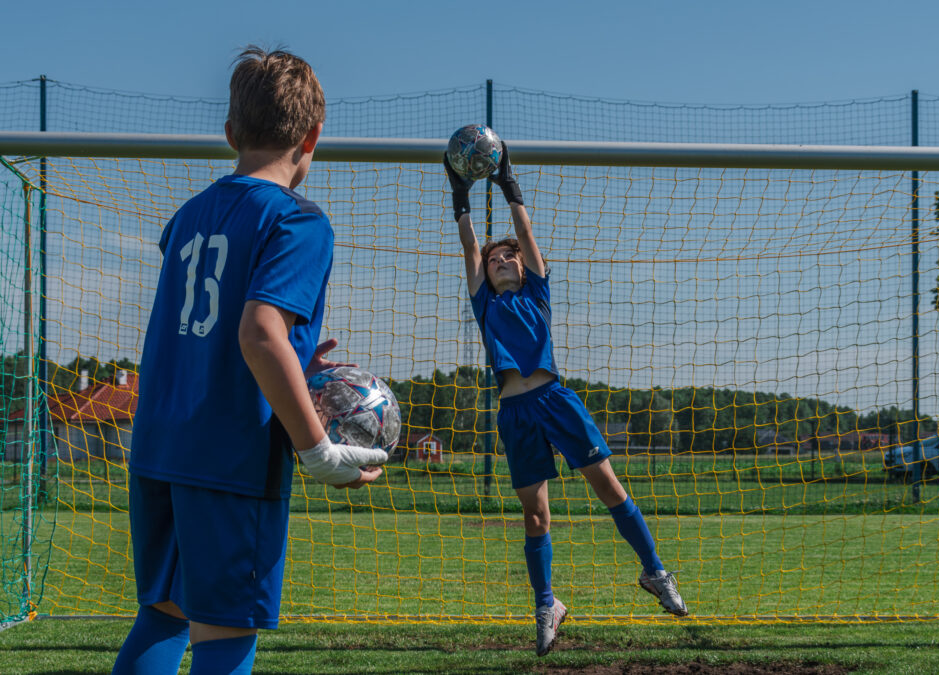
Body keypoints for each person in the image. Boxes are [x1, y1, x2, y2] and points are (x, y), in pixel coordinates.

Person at [113, 47, 387, 675]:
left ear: (231, 132)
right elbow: (259, 333)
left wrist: (293, 357)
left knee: (166, 612)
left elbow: (213, 332)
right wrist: (318, 451)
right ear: (313, 135)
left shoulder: (188, 217)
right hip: (230, 454)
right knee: (225, 632)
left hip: (158, 446)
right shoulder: (298, 221)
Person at [444, 142, 688, 657]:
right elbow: (469, 248)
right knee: (536, 517)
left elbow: (526, 233)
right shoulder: (484, 304)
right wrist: (460, 193)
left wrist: (509, 183)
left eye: (509, 255)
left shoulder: (537, 294)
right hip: (515, 414)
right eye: (495, 258)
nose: (503, 259)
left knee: (609, 489)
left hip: (556, 400)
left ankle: (654, 572)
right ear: (485, 274)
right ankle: (547, 604)